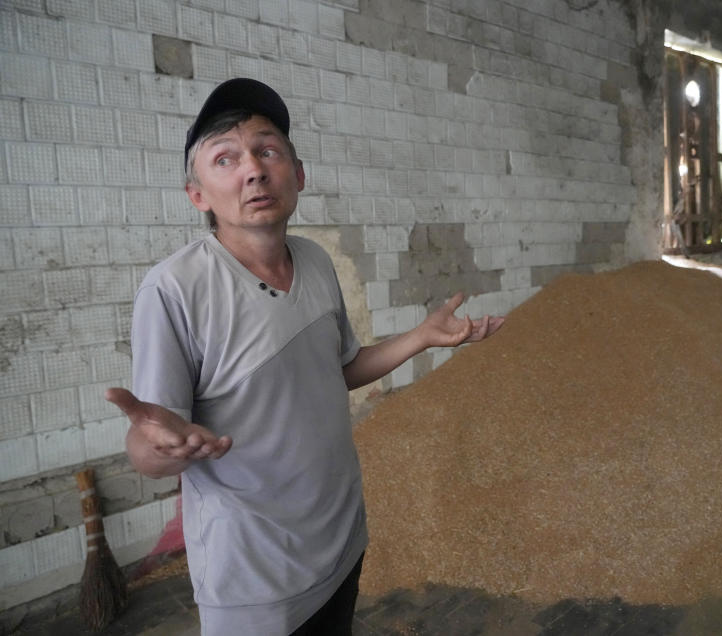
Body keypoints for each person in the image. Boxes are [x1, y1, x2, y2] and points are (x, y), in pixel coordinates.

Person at [105, 77, 504, 636]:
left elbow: (337, 372)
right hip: (254, 575)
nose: (253, 169)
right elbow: (150, 449)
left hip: (340, 539)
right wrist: (158, 450)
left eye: (267, 150)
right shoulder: (175, 290)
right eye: (225, 159)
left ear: (298, 174)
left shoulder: (315, 261)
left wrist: (422, 336)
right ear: (198, 194)